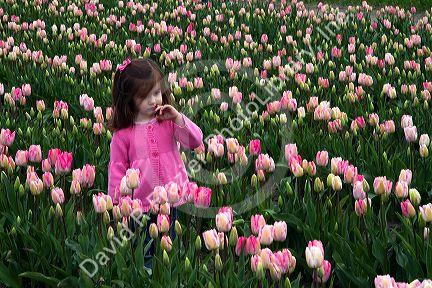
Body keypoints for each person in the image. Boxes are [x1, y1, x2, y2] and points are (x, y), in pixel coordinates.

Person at [107, 57, 203, 267]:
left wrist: (177, 117)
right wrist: (116, 204)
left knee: (169, 248)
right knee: (146, 253)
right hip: (140, 206)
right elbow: (116, 169)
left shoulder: (167, 122)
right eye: (144, 96)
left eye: (157, 93)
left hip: (171, 200)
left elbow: (195, 141)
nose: (154, 101)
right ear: (129, 99)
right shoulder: (123, 135)